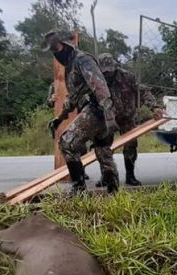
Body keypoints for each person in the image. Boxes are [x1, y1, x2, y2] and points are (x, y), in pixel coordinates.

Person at [43, 31, 119, 194]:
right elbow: (73, 97)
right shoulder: (70, 65)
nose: (56, 54)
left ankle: (79, 188)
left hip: (97, 108)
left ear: (65, 45)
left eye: (56, 49)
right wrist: (60, 118)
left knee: (67, 142)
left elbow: (100, 87)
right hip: (95, 109)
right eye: (53, 51)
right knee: (102, 149)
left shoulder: (82, 59)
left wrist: (108, 115)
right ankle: (113, 191)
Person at [97, 53, 160, 187]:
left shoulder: (127, 77)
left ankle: (130, 176)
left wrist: (154, 107)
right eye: (105, 71)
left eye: (110, 70)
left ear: (115, 67)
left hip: (127, 117)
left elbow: (143, 91)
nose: (108, 74)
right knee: (104, 148)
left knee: (131, 146)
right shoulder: (96, 79)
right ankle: (106, 176)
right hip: (107, 118)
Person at [46, 81, 89, 180]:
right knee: (66, 146)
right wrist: (52, 99)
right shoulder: (54, 85)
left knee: (82, 148)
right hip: (62, 119)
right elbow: (48, 103)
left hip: (78, 116)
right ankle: (69, 173)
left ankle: (82, 171)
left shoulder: (79, 80)